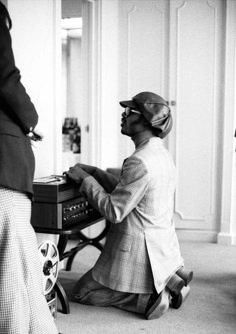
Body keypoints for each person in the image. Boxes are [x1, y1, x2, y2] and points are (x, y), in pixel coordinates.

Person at [66, 91, 193, 320]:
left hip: (137, 250)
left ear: (146, 120)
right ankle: (170, 278)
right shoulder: (160, 154)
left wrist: (86, 181)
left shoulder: (138, 161)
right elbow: (132, 192)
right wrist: (96, 173)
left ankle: (146, 298)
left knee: (81, 293)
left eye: (129, 112)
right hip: (161, 245)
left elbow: (115, 210)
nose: (123, 116)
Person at [0, 2, 59, 333]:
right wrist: (30, 120)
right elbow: (5, 75)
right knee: (15, 269)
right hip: (4, 169)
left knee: (21, 266)